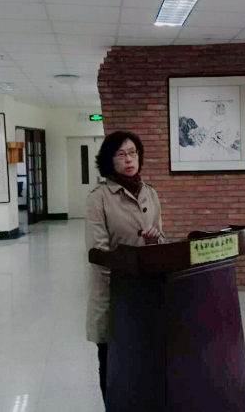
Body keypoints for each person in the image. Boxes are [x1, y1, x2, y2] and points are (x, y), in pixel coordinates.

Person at [85, 131, 165, 406]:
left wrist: (155, 239)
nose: (129, 159)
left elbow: (161, 242)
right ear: (110, 160)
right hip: (114, 294)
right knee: (112, 359)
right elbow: (98, 252)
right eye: (121, 154)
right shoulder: (99, 198)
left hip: (146, 292)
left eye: (133, 152)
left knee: (144, 357)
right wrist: (126, 287)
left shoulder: (150, 193)